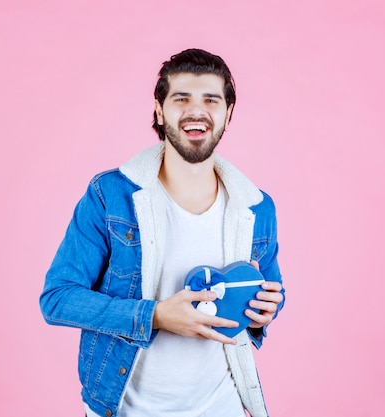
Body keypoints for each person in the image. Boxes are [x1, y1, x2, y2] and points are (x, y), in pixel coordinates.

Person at [40, 48, 285, 417]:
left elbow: (269, 294)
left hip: (224, 406)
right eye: (181, 98)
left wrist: (267, 309)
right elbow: (57, 298)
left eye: (211, 100)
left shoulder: (256, 207)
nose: (196, 110)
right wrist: (155, 316)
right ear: (159, 109)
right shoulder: (111, 196)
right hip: (124, 408)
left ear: (228, 114)